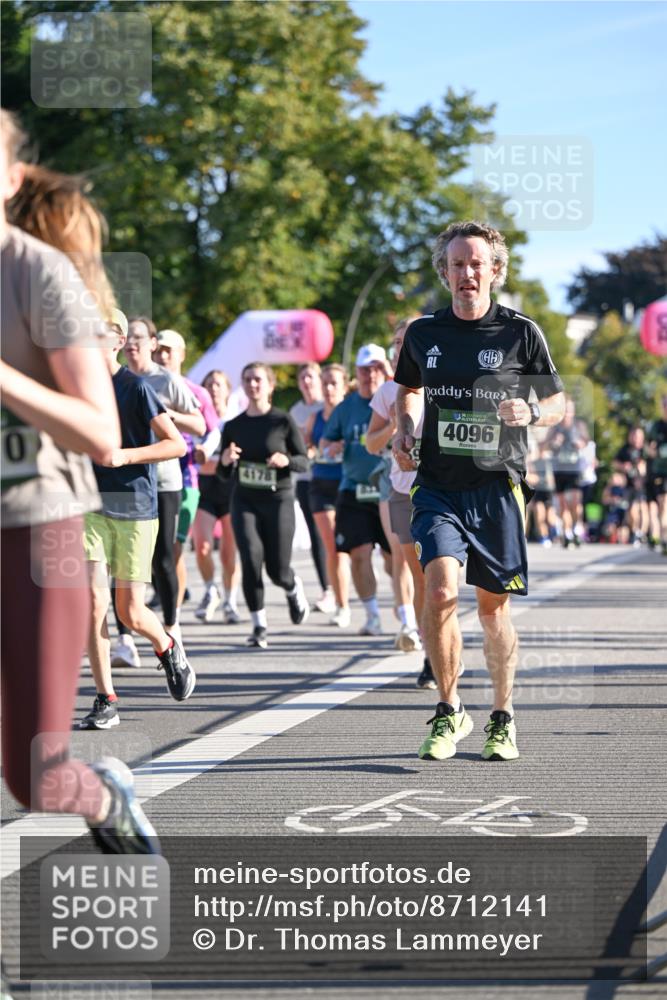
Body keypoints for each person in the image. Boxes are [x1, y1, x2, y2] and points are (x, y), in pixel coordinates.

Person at [1, 109, 157, 855]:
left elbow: (99, 431)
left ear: (10, 179)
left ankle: (103, 797)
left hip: (38, 531)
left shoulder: (37, 273)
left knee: (37, 778)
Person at [394, 220, 565, 762]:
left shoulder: (521, 332)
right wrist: (404, 428)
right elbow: (408, 389)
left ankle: (502, 716)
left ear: (495, 270)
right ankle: (449, 708)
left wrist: (532, 410)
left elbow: (559, 403)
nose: (467, 273)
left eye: (476, 264)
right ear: (444, 272)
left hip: (496, 487)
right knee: (441, 591)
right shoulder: (424, 333)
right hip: (439, 486)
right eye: (457, 264)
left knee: (493, 612)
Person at [81, 312, 195, 730]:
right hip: (89, 506)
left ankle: (166, 646)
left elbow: (176, 444)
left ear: (117, 340)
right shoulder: (75, 390)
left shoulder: (137, 387)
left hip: (134, 507)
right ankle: (105, 698)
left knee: (129, 611)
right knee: (93, 605)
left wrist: (124, 456)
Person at [121, 315, 205, 652]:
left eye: (138, 337)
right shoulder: (115, 380)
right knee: (122, 563)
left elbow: (199, 424)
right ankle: (124, 640)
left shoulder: (166, 380)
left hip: (165, 480)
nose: (131, 343)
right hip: (126, 480)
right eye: (127, 337)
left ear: (153, 344)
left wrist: (169, 418)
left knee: (162, 559)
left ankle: (172, 627)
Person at [219, 362, 310, 648]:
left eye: (258, 379)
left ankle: (292, 586)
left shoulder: (282, 421)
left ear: (270, 385)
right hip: (245, 499)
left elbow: (303, 460)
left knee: (277, 569)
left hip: (278, 499)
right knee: (250, 559)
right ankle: (259, 625)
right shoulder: (234, 426)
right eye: (247, 379)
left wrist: (287, 461)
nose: (252, 384)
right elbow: (223, 474)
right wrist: (224, 461)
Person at [320, 344, 392, 636]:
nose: (370, 374)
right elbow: (325, 444)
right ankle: (372, 614)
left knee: (394, 559)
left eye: (376, 368)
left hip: (390, 490)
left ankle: (406, 609)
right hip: (354, 489)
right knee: (358, 555)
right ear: (356, 373)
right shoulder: (345, 407)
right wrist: (332, 447)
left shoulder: (394, 399)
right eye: (364, 369)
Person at [366, 319, 424, 656]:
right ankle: (421, 638)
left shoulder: (442, 384)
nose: (403, 348)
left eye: (409, 341)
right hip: (402, 491)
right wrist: (392, 425)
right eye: (398, 342)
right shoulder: (388, 392)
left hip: (441, 489)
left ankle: (439, 640)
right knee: (414, 571)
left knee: (439, 577)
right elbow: (371, 444)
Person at [152, 328, 220, 611]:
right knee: (157, 550)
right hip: (151, 478)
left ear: (181, 355)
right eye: (159, 351)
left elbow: (212, 430)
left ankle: (173, 616)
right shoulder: (147, 385)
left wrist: (207, 449)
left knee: (175, 548)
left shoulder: (196, 392)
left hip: (186, 478)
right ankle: (165, 594)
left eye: (169, 351)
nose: (163, 356)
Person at [192, 369, 242, 622]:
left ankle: (231, 600)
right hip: (205, 489)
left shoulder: (235, 420)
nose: (213, 389)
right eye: (209, 384)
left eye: (218, 384)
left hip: (231, 489)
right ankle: (211, 590)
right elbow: (195, 458)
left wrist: (217, 461)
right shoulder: (197, 420)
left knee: (229, 551)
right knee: (201, 546)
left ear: (228, 389)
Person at [303, 363, 351, 626]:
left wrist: (344, 445)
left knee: (360, 551)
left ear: (345, 386)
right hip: (321, 483)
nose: (329, 389)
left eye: (334, 383)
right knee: (334, 547)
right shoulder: (315, 417)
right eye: (325, 384)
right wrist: (311, 449)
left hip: (350, 483)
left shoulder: (353, 413)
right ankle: (342, 605)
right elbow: (308, 445)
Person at [290, 362, 334, 612]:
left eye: (311, 377)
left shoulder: (328, 406)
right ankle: (327, 589)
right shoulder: (296, 411)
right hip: (307, 479)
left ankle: (345, 580)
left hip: (335, 475)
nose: (307, 382)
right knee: (318, 535)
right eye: (303, 377)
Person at [546, 397, 588, 547]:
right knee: (562, 503)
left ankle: (577, 526)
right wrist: (554, 443)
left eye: (569, 410)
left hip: (575, 468)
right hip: (559, 469)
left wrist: (580, 444)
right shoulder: (555, 426)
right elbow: (546, 445)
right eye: (565, 410)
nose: (567, 413)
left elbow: (586, 442)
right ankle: (567, 533)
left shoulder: (579, 425)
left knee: (575, 501)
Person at [613, 425, 649, 547]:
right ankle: (635, 532)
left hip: (645, 485)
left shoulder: (645, 450)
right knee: (632, 510)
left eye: (638, 436)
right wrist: (623, 467)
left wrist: (643, 470)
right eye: (634, 436)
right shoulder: (625, 449)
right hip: (629, 485)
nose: (636, 439)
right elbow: (615, 462)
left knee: (644, 508)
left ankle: (642, 533)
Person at [646, 394, 667, 555]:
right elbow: (649, 447)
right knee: (663, 504)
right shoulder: (657, 426)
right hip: (660, 471)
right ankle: (663, 537)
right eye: (664, 405)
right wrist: (654, 452)